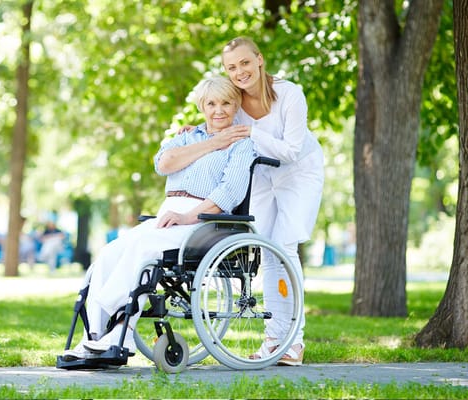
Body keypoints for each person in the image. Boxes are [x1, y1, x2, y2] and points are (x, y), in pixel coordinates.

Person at [61, 75, 256, 361]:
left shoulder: (241, 144)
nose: (219, 110)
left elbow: (231, 191)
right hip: (168, 214)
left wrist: (188, 216)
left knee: (143, 250)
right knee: (110, 252)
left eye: (226, 103)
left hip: (203, 220)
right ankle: (93, 336)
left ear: (236, 103)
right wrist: (213, 143)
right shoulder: (187, 136)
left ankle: (119, 333)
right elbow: (164, 164)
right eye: (211, 103)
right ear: (202, 106)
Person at [221, 37, 324, 366]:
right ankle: (274, 339)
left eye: (245, 63)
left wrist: (253, 134)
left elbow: (292, 150)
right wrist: (195, 130)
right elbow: (216, 120)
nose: (240, 72)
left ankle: (295, 341)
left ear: (259, 60)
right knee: (266, 249)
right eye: (232, 67)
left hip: (299, 173)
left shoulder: (290, 94)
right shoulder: (233, 101)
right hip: (264, 175)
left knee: (285, 246)